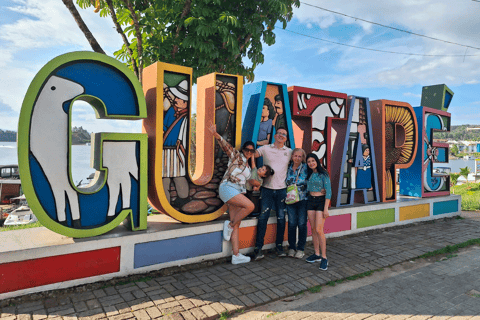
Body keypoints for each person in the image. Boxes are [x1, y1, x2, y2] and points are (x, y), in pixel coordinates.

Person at [208, 122, 256, 265]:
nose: (248, 152)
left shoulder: (248, 165)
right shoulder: (236, 156)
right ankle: (228, 226)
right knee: (250, 207)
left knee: (237, 224)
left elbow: (252, 180)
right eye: (247, 149)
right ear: (243, 149)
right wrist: (215, 134)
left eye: (251, 151)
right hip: (228, 187)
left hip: (238, 191)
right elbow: (226, 146)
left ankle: (236, 255)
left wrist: (253, 161)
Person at [253, 127, 292, 259]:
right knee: (263, 218)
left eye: (284, 134)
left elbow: (298, 162)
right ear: (275, 135)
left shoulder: (289, 152)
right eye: (279, 133)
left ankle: (279, 247)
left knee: (281, 219)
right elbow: (251, 154)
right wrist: (253, 170)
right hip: (267, 189)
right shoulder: (266, 148)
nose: (281, 136)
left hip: (282, 190)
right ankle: (258, 248)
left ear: (286, 138)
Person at [163, 80, 190, 207]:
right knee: (165, 177)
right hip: (165, 150)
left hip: (178, 150)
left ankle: (183, 199)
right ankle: (165, 202)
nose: (176, 100)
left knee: (179, 176)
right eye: (177, 97)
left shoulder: (186, 117)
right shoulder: (171, 111)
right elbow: (164, 126)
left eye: (180, 98)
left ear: (185, 103)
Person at [305, 153, 331, 271]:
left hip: (321, 202)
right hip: (311, 201)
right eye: (309, 161)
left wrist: (326, 208)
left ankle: (324, 257)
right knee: (313, 230)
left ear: (317, 161)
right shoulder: (309, 173)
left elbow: (329, 192)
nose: (311, 163)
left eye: (313, 161)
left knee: (320, 230)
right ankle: (317, 254)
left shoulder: (323, 174)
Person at [285, 148, 308, 259]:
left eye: (300, 156)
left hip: (302, 199)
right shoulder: (288, 168)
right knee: (292, 224)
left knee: (302, 224)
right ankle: (292, 247)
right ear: (292, 156)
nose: (297, 158)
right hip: (290, 200)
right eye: (295, 156)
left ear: (302, 157)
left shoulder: (305, 167)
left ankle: (301, 248)